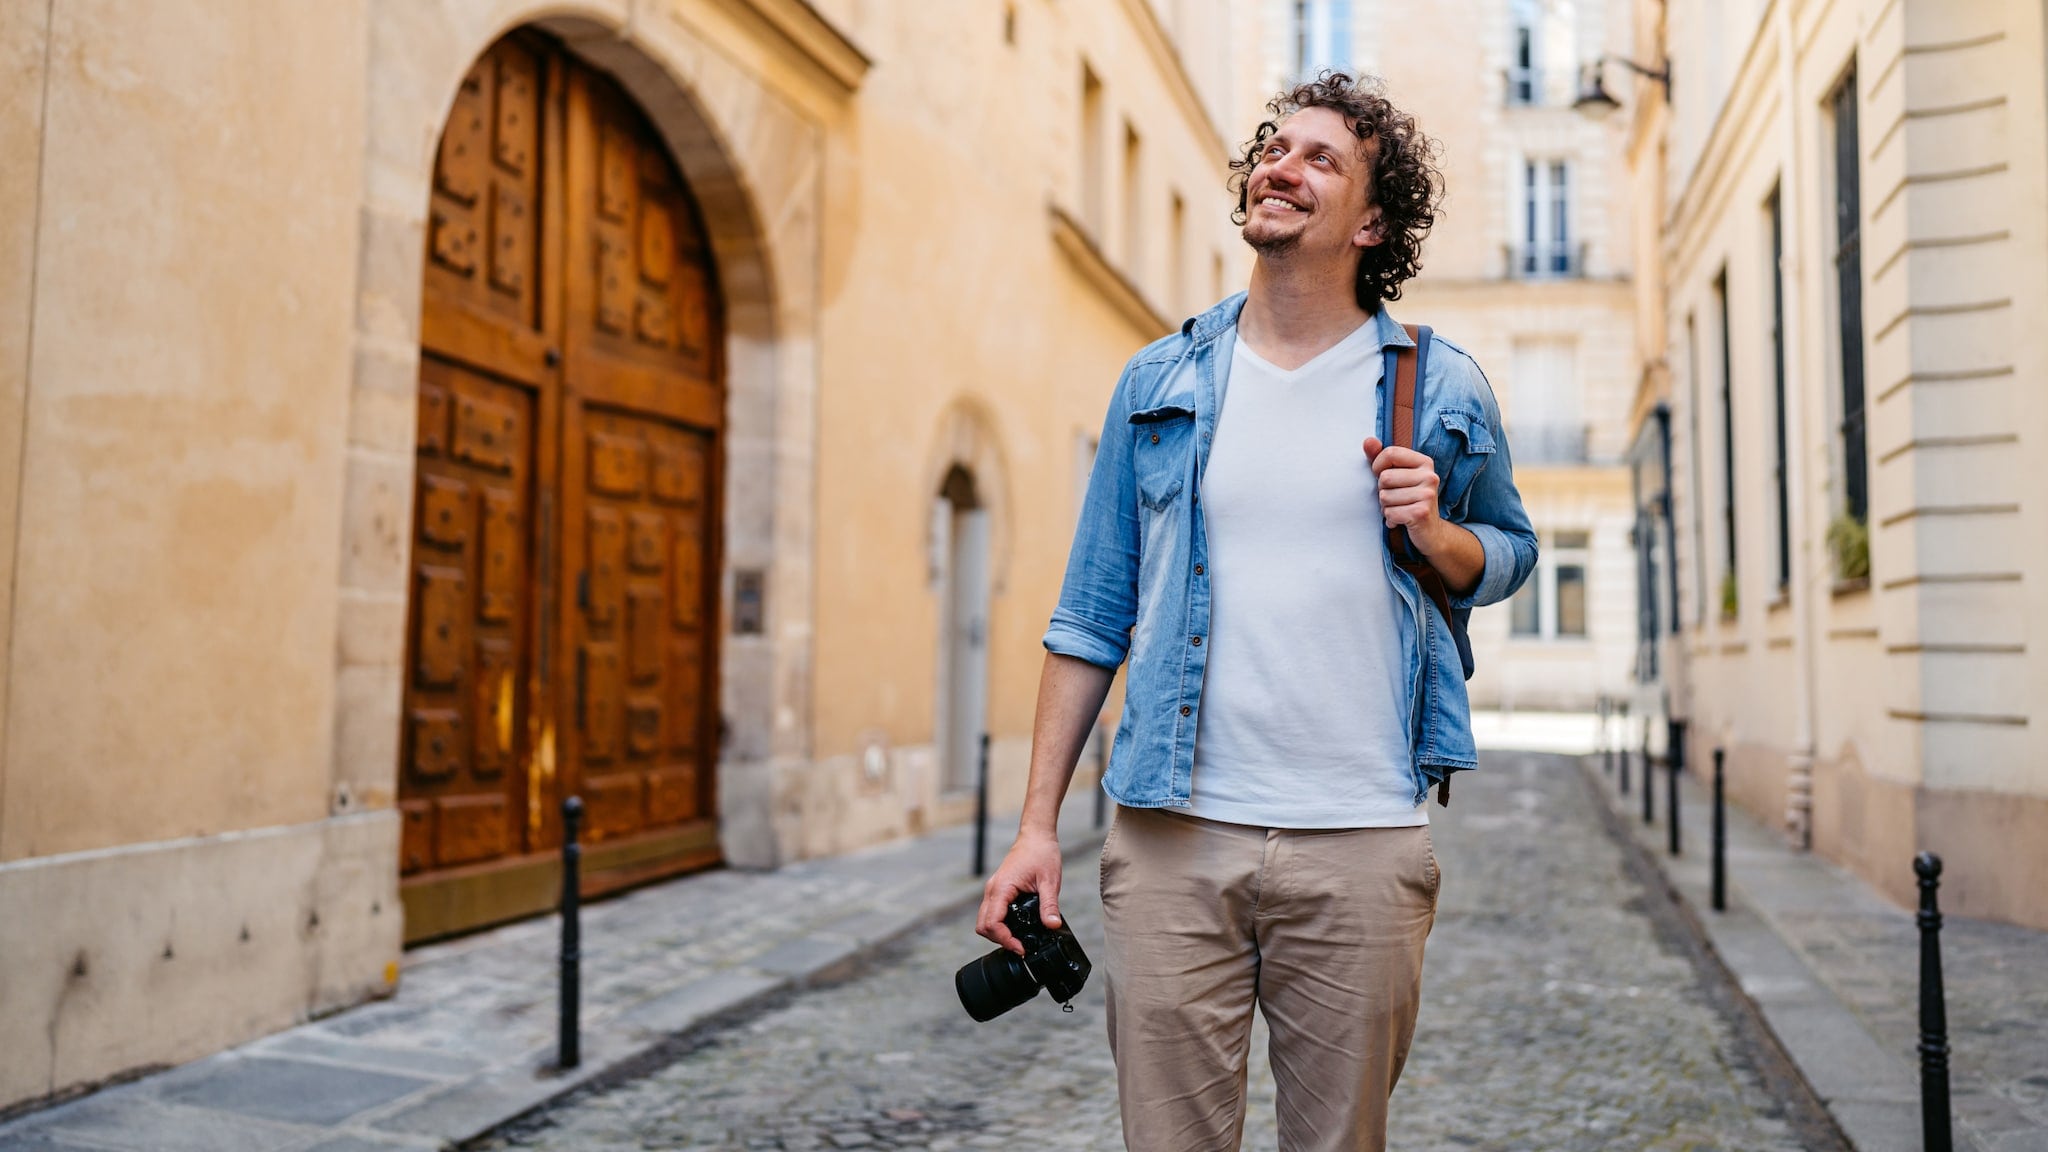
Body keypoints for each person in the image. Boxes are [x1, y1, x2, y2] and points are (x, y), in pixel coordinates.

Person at [976, 73, 1538, 1151]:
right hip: (1169, 840)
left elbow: (1506, 552)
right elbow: (1090, 615)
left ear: (1370, 221)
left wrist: (1435, 533)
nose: (1280, 166)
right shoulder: (1159, 379)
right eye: (1273, 149)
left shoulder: (1440, 387)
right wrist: (1035, 828)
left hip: (1362, 838)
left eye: (1319, 158)